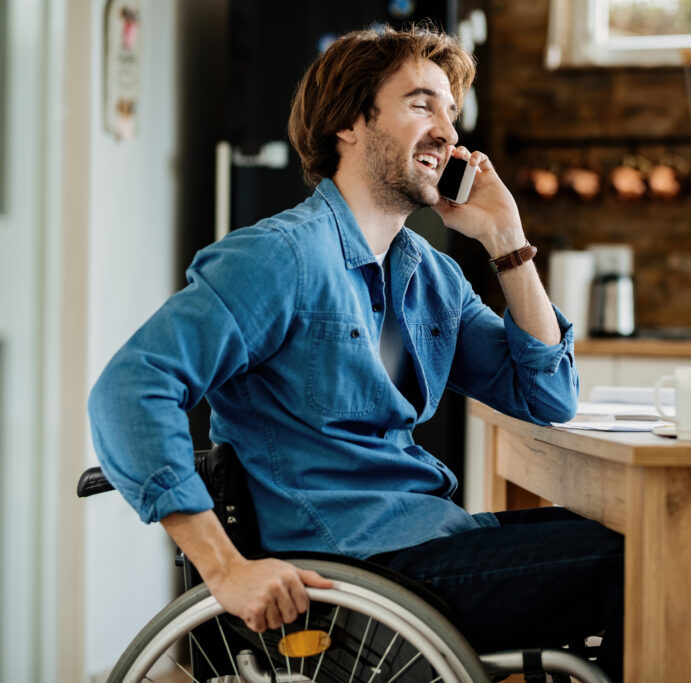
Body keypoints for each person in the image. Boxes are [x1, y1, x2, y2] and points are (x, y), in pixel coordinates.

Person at [88, 22, 624, 680]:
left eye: (452, 113)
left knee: (644, 537)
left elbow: (548, 396)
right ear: (350, 122)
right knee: (643, 562)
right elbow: (130, 389)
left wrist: (507, 240)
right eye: (422, 103)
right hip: (365, 570)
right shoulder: (281, 257)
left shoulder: (430, 276)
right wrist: (223, 567)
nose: (449, 132)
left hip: (431, 538)